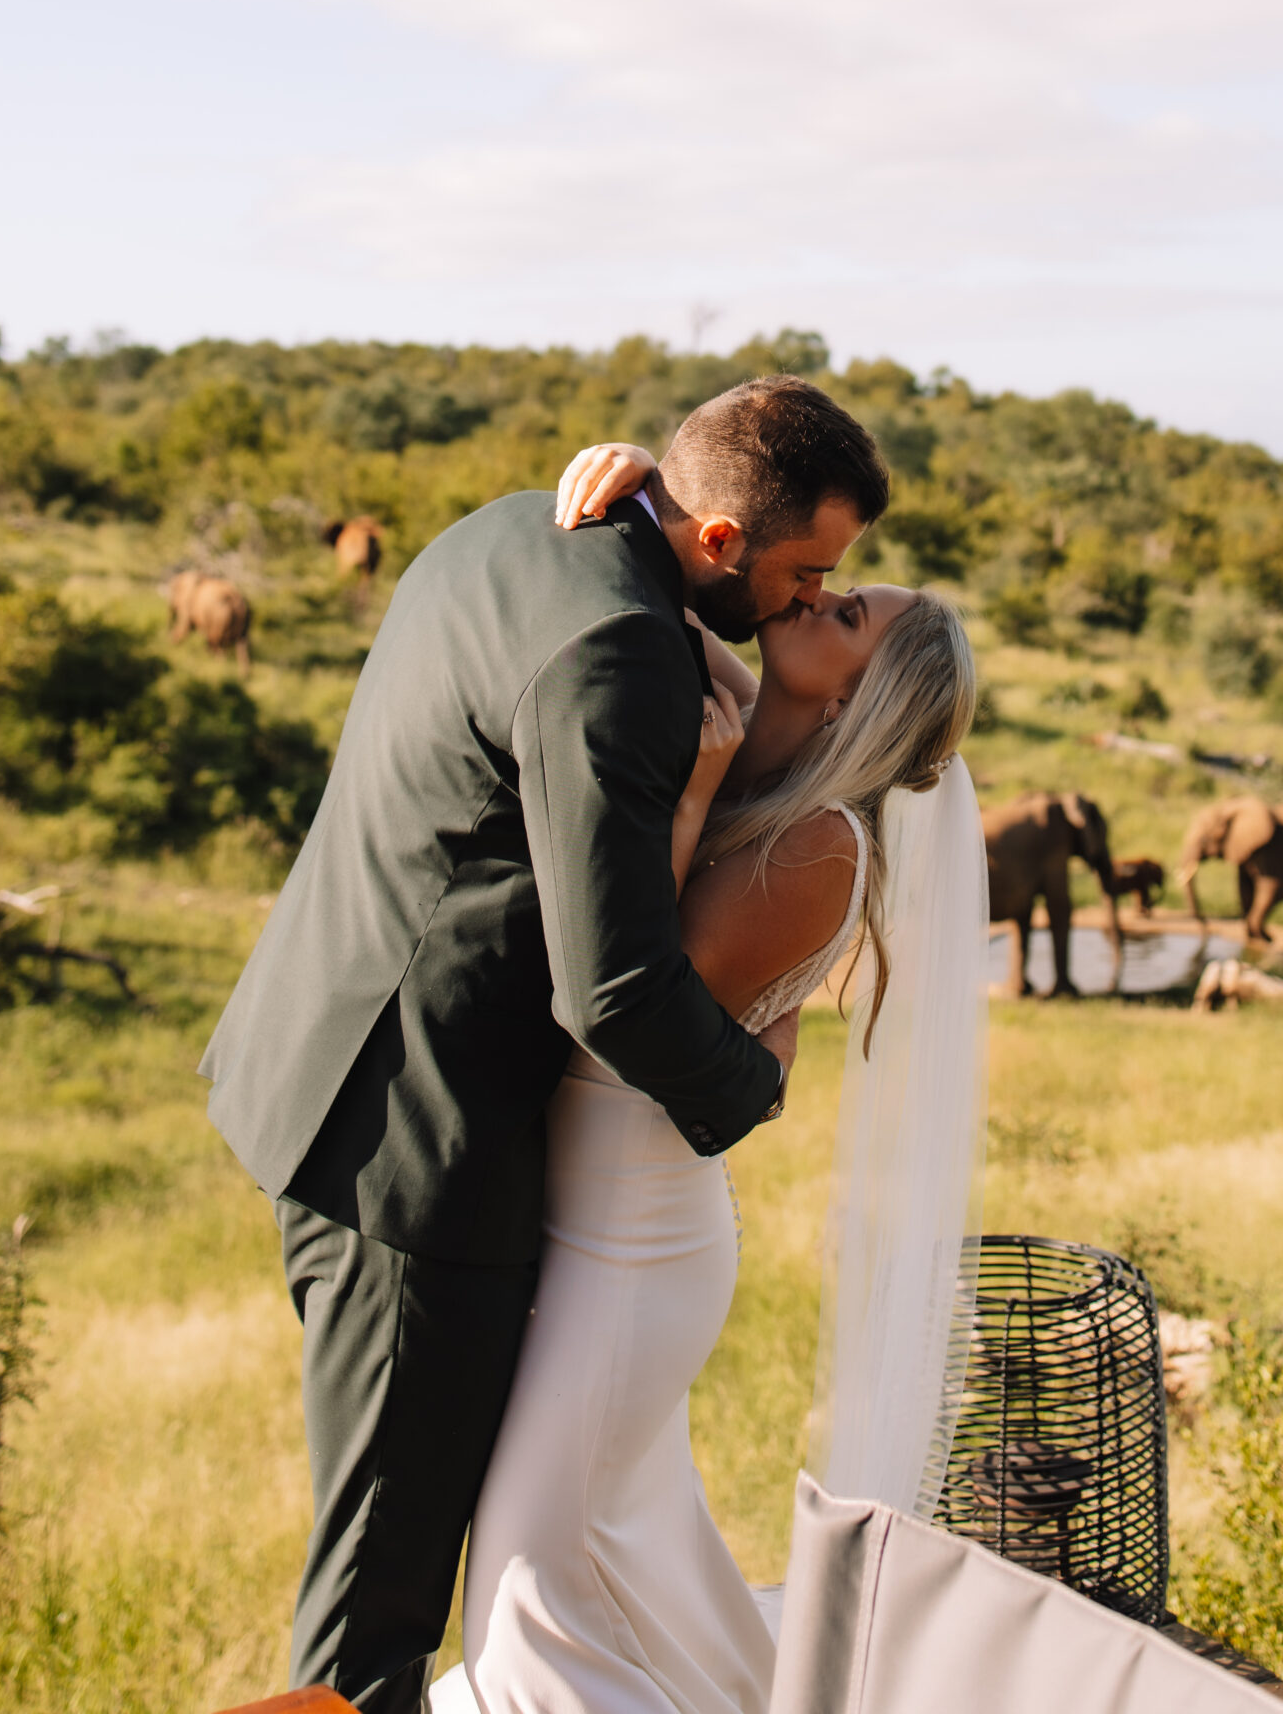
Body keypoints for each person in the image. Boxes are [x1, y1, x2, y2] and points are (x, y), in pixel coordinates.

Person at [199, 377, 890, 1714]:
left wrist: (635, 480)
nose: (810, 600)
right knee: (375, 1604)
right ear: (718, 541)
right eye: (804, 572)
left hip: (325, 1068)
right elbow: (615, 990)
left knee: (395, 1559)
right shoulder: (623, 649)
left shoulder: (518, 522)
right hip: (416, 1137)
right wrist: (754, 1083)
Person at [434, 437, 986, 1714]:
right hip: (594, 1212)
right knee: (620, 1553)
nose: (812, 599)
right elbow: (707, 561)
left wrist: (684, 802)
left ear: (863, 696)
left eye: (846, 611)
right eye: (826, 586)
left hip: (635, 1239)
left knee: (528, 1568)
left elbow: (621, 1004)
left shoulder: (817, 847)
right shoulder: (750, 725)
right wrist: (639, 475)